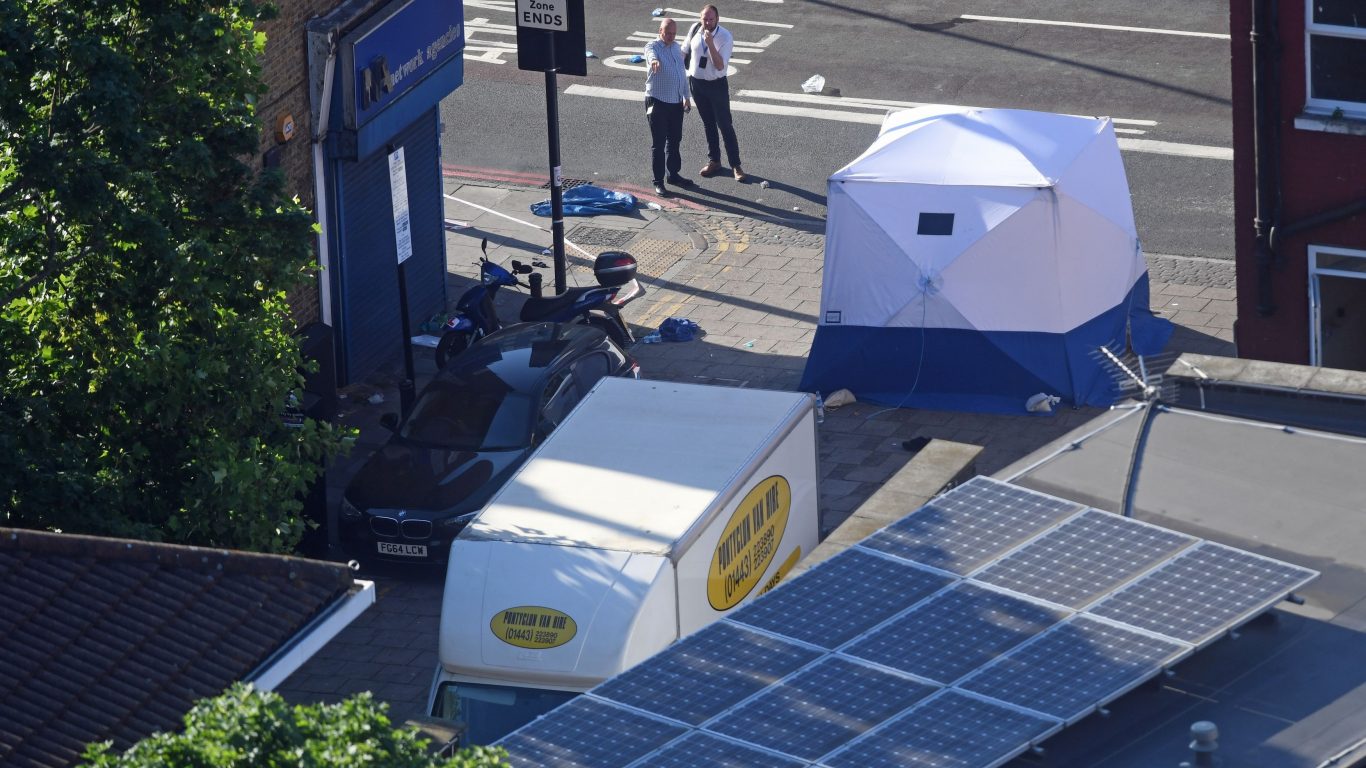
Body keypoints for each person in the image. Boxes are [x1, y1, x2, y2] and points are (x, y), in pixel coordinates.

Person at [682, 4, 747, 182]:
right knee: (708, 123)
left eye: (711, 19)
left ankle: (736, 165)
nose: (708, 22)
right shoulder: (695, 29)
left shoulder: (725, 37)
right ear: (700, 18)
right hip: (697, 83)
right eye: (705, 19)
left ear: (717, 19)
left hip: (716, 85)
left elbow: (719, 65)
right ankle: (714, 161)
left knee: (725, 125)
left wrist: (710, 43)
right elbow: (684, 51)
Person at [643, 17, 692, 197]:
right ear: (660, 31)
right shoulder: (652, 47)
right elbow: (650, 56)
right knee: (658, 143)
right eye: (667, 33)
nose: (671, 36)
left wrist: (686, 96)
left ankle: (673, 174)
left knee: (675, 139)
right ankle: (658, 181)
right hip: (657, 101)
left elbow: (681, 74)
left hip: (676, 102)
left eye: (673, 33)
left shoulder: (676, 48)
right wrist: (654, 61)